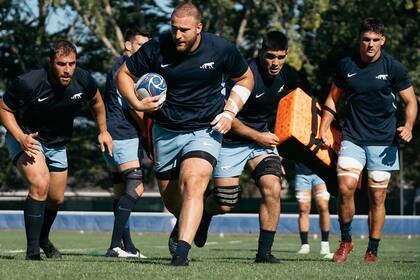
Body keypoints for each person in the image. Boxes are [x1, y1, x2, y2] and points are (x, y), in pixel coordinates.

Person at [115, 2, 254, 266]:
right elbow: (123, 74)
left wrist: (229, 112)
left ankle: (181, 254)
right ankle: (191, 222)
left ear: (199, 28)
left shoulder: (221, 48)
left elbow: (246, 78)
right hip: (165, 131)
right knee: (172, 200)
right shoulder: (156, 47)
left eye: (184, 30)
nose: (177, 35)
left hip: (205, 129)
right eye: (174, 28)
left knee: (193, 184)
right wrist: (136, 103)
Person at [0, 40, 113, 260]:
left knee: (56, 199)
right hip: (28, 137)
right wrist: (20, 136)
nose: (68, 69)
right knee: (40, 184)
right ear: (51, 62)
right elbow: (3, 108)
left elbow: (97, 102)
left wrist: (103, 130)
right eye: (62, 64)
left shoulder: (83, 80)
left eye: (72, 64)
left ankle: (43, 239)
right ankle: (33, 251)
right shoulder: (29, 82)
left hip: (58, 144)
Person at [320, 18, 417, 263]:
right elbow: (332, 100)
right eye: (366, 40)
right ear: (359, 40)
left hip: (384, 141)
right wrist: (324, 127)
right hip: (352, 137)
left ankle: (372, 249)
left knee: (377, 197)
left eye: (375, 40)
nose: (370, 45)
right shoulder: (346, 65)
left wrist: (408, 126)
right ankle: (345, 241)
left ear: (382, 40)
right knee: (345, 188)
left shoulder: (393, 68)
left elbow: (411, 101)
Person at [194, 30, 289, 263]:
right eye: (270, 56)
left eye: (281, 57)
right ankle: (205, 213)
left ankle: (263, 253)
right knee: (225, 203)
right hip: (231, 141)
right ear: (260, 52)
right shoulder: (243, 74)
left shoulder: (284, 78)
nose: (275, 63)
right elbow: (227, 118)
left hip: (260, 140)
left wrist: (281, 151)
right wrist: (259, 136)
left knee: (273, 187)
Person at [102, 28, 150, 258]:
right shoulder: (125, 71)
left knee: (121, 192)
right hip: (124, 134)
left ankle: (127, 246)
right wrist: (148, 137)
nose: (145, 50)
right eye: (140, 45)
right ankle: (114, 245)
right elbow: (134, 108)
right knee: (136, 188)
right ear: (128, 45)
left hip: (112, 134)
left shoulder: (117, 66)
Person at [294, 162, 331, 258]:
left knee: (323, 206)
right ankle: (304, 245)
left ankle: (325, 244)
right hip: (301, 174)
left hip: (321, 173)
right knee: (303, 209)